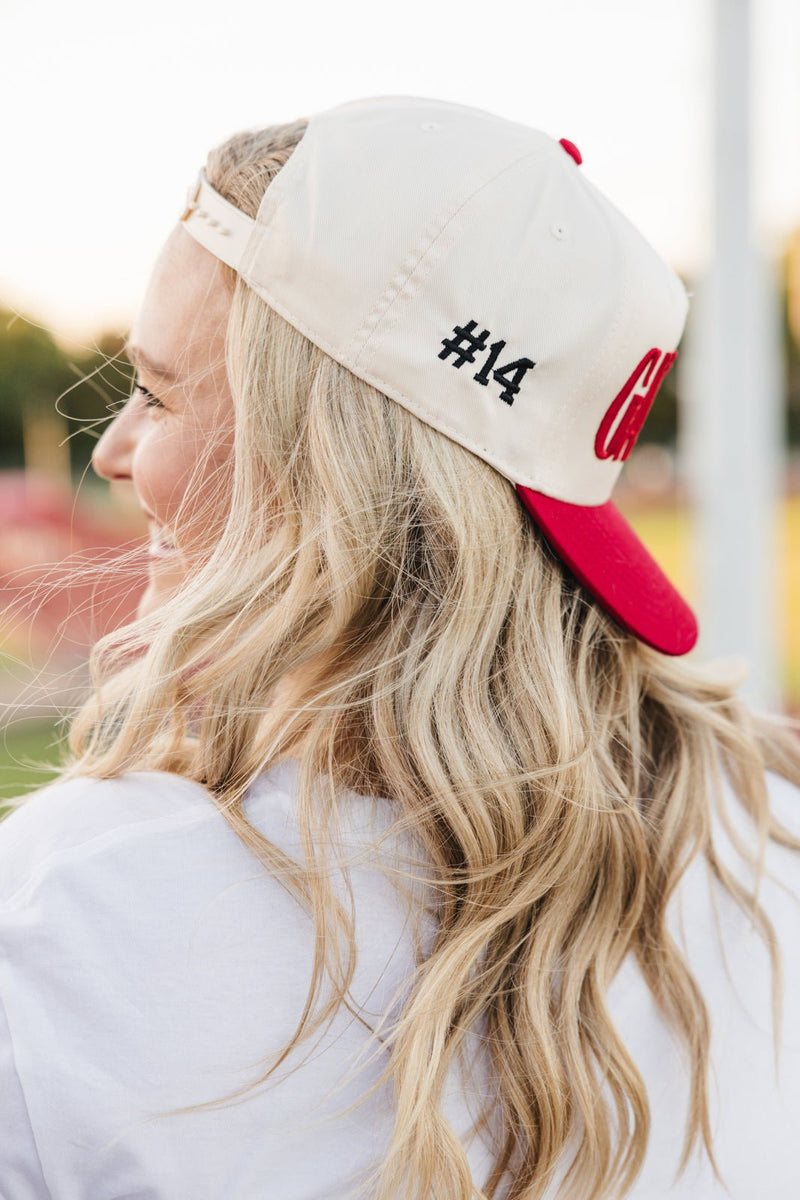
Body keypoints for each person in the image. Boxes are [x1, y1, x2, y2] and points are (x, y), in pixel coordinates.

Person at [1, 95, 798, 1200]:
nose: (116, 449)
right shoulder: (767, 837)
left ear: (320, 454)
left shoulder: (68, 909)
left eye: (155, 389)